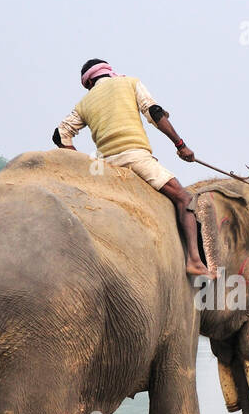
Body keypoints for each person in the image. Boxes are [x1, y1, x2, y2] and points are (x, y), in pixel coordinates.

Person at [53, 59, 209, 276]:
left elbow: (60, 134)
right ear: (109, 72)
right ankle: (194, 260)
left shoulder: (84, 103)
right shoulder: (129, 83)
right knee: (184, 199)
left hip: (106, 167)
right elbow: (154, 113)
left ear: (88, 83)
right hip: (137, 159)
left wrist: (82, 165)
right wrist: (181, 145)